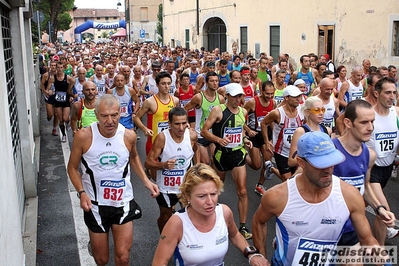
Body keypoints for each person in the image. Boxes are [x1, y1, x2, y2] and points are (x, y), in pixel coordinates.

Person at [252, 131, 383, 266]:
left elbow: (367, 240)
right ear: (301, 162)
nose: (328, 170)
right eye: (320, 164)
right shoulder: (278, 196)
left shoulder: (350, 195)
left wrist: (381, 257)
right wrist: (261, 256)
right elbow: (258, 221)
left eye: (332, 162)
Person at [67, 94, 160, 266]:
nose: (110, 120)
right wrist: (81, 193)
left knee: (123, 256)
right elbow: (72, 168)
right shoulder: (83, 136)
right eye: (104, 116)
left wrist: (147, 182)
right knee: (101, 259)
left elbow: (133, 158)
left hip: (122, 202)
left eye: (114, 115)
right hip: (95, 205)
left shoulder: (129, 136)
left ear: (120, 114)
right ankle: (95, 246)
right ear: (96, 115)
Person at [152, 163, 269, 266]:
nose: (210, 202)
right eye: (202, 196)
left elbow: (234, 235)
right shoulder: (177, 223)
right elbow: (159, 262)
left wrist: (252, 254)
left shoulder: (224, 212)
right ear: (188, 196)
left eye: (213, 194)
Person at [332, 99, 396, 257]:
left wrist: (379, 208)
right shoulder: (330, 151)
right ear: (348, 123)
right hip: (325, 230)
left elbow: (365, 185)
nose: (371, 128)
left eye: (372, 122)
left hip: (351, 227)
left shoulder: (369, 155)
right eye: (364, 122)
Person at [201, 83, 253, 239]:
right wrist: (218, 139)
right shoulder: (218, 110)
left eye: (241, 96)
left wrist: (245, 140)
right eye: (236, 96)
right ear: (228, 96)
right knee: (216, 188)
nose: (239, 99)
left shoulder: (243, 112)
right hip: (221, 154)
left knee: (242, 191)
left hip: (238, 154)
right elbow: (204, 131)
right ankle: (212, 220)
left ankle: (242, 227)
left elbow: (241, 130)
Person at [144, 107, 198, 233]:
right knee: (165, 216)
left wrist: (197, 167)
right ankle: (164, 239)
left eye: (184, 123)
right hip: (166, 187)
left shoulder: (192, 136)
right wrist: (163, 165)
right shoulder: (162, 138)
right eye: (177, 124)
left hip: (185, 186)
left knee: (190, 216)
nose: (181, 128)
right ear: (169, 124)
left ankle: (185, 243)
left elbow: (195, 151)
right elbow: (148, 162)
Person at [365, 77, 399, 244]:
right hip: (371, 169)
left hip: (388, 167)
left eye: (394, 92)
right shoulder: (369, 114)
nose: (392, 96)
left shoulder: (397, 113)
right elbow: (343, 123)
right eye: (388, 92)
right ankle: (380, 254)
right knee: (384, 211)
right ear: (377, 93)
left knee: (356, 206)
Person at [261, 85, 304, 181]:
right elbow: (264, 123)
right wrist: (267, 142)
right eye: (295, 97)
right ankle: (272, 168)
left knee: (295, 179)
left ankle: (271, 168)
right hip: (281, 152)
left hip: (297, 152)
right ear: (286, 98)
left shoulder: (302, 110)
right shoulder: (277, 113)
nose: (298, 99)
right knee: (288, 180)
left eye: (299, 96)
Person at [183, 71, 225, 165]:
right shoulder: (198, 98)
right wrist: (186, 124)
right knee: (205, 162)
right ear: (206, 83)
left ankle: (213, 179)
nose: (215, 83)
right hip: (200, 134)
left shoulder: (221, 99)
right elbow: (184, 109)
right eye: (212, 81)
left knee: (215, 160)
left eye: (216, 81)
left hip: (214, 134)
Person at [134, 71, 179, 156]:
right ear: (157, 85)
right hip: (153, 142)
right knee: (152, 167)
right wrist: (145, 129)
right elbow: (136, 118)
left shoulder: (175, 100)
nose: (166, 86)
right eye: (163, 84)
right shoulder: (150, 102)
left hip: (170, 142)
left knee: (168, 167)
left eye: (169, 83)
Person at [243, 81, 276, 195]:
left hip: (267, 134)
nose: (270, 96)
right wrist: (248, 130)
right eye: (267, 93)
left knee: (267, 164)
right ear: (261, 91)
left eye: (272, 94)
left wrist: (274, 136)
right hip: (254, 135)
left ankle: (260, 185)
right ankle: (244, 155)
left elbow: (272, 121)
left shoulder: (273, 103)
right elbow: (239, 117)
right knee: (256, 165)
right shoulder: (252, 102)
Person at [288, 96, 331, 168]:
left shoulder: (327, 130)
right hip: (307, 174)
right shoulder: (300, 131)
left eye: (323, 110)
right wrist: (312, 158)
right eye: (316, 110)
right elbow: (291, 162)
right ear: (307, 112)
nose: (321, 113)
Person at [51, 61, 75, 142]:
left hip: (66, 100)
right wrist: (48, 92)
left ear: (63, 68)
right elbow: (48, 88)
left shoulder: (67, 78)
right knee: (60, 119)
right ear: (56, 68)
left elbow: (73, 84)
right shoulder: (53, 78)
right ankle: (64, 135)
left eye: (61, 67)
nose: (60, 69)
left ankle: (68, 121)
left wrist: (71, 94)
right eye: (58, 67)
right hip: (57, 100)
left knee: (65, 118)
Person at [41, 60, 59, 136]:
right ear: (50, 66)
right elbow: (41, 85)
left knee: (56, 114)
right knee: (50, 114)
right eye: (52, 65)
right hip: (49, 97)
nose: (53, 67)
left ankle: (54, 129)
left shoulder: (60, 75)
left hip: (57, 96)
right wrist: (46, 92)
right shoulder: (46, 75)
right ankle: (49, 116)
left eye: (54, 65)